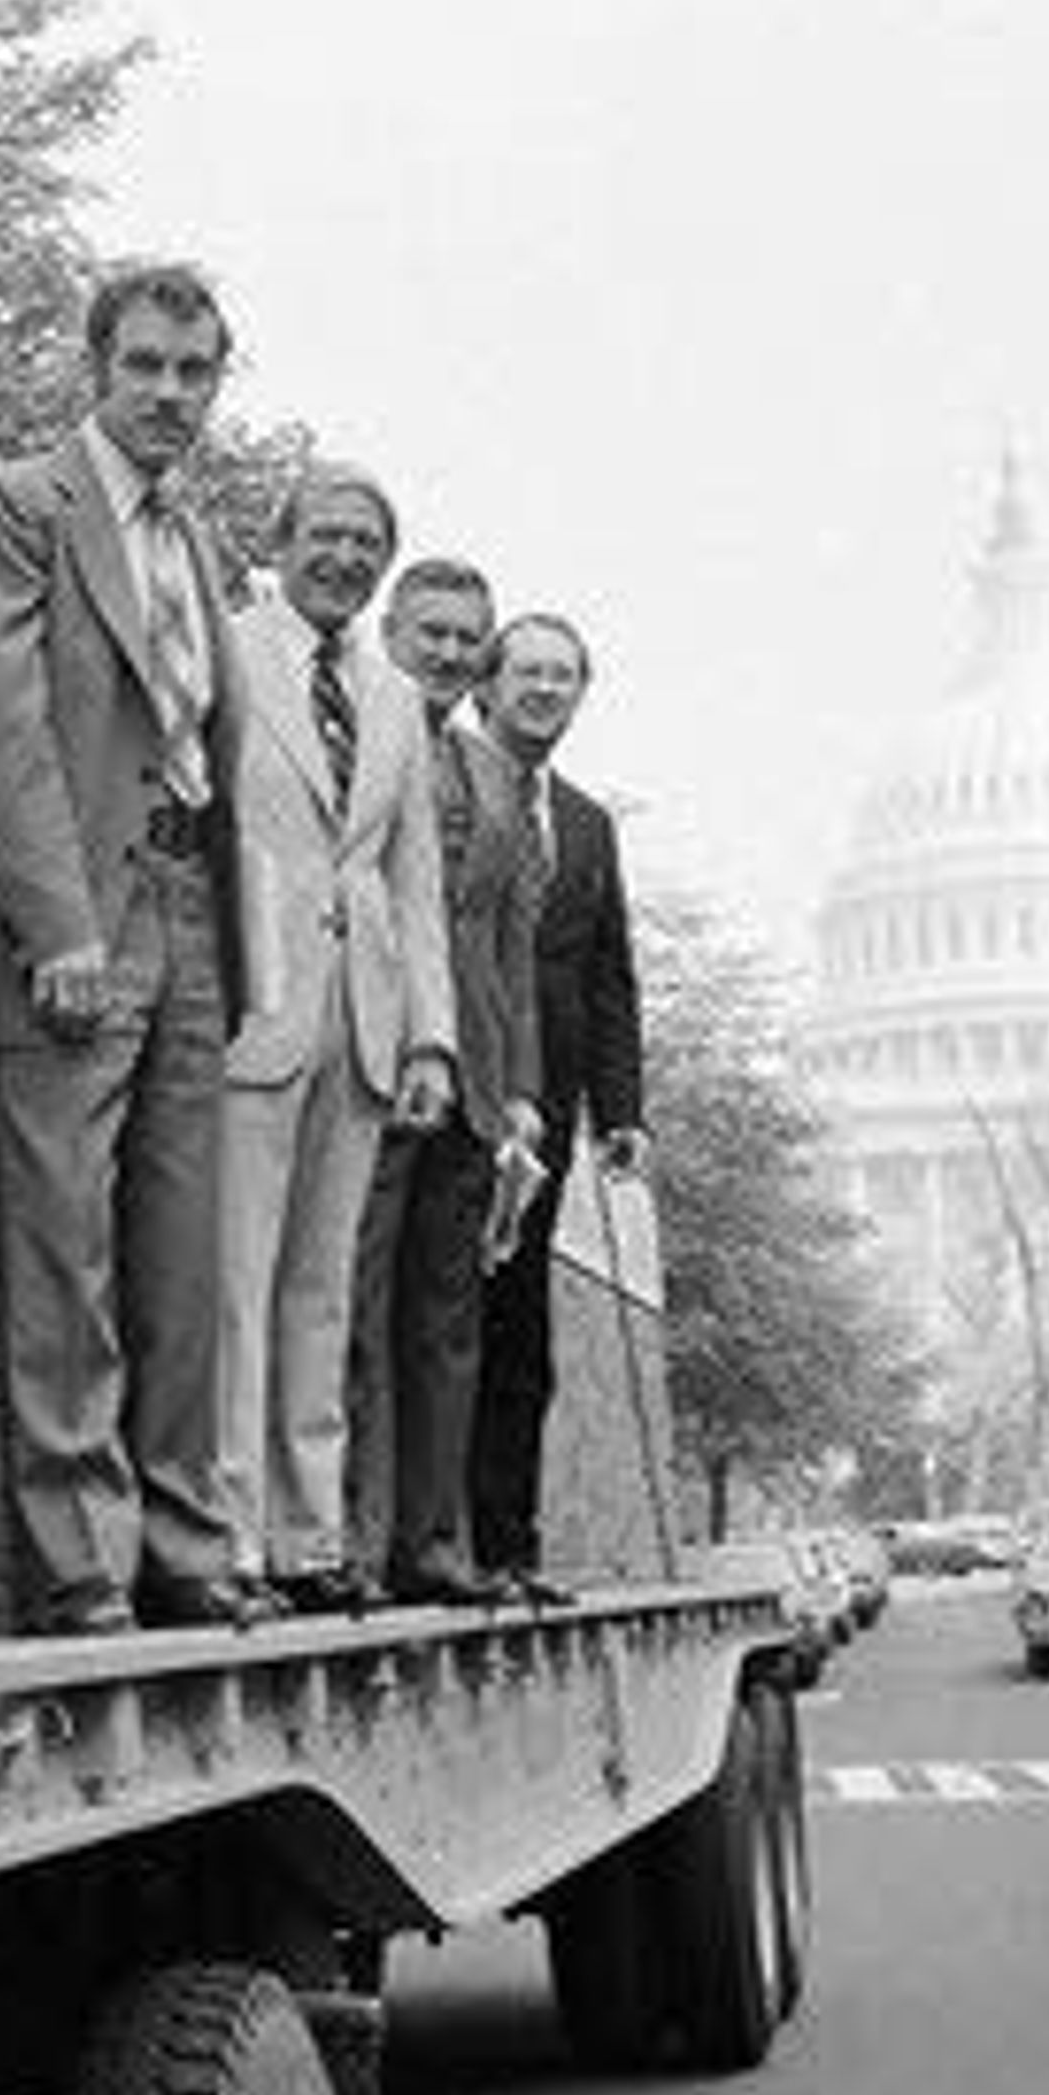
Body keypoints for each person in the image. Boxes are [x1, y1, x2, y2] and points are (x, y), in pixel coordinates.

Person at [0, 258, 263, 1636]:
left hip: (192, 906)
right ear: (96, 367)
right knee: (67, 1244)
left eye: (195, 374)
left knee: (181, 1256)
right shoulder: (14, 508)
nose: (170, 396)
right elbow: (1, 733)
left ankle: (188, 1546)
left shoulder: (196, 541)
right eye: (146, 367)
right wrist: (55, 923)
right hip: (85, 916)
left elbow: (206, 746)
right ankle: (82, 1560)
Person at [211, 466, 456, 1614]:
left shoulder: (393, 697)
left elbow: (415, 887)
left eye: (367, 542)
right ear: (282, 540)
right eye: (326, 536)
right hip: (252, 1002)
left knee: (320, 1292)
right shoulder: (220, 648)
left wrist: (430, 1043)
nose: (345, 558)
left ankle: (309, 1540)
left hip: (361, 1021)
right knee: (233, 1281)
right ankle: (230, 1539)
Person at [346, 558, 546, 1605]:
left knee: (448, 1326)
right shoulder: (356, 737)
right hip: (372, 1064)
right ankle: (359, 1545)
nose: (452, 653)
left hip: (472, 1090)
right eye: (433, 632)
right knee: (356, 1312)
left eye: (470, 638)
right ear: (391, 632)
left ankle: (437, 1543)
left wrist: (518, 1092)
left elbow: (513, 951)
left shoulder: (494, 773)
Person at [467, 613, 646, 1594]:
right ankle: (437, 1539)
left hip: (551, 1108)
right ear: (489, 684)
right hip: (463, 1089)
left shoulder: (586, 822)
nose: (543, 690)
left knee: (521, 1335)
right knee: (448, 1323)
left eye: (563, 676)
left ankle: (507, 1542)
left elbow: (609, 974)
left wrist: (622, 1108)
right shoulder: (444, 782)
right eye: (527, 671)